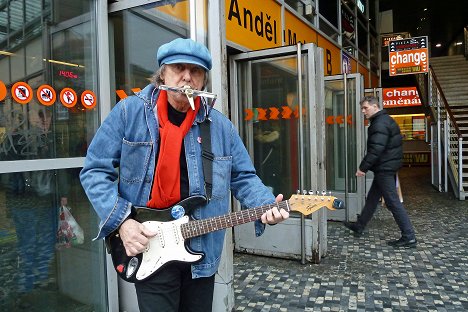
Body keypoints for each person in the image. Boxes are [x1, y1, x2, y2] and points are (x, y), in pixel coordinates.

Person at [79, 38, 289, 312]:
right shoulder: (130, 112)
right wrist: (123, 223)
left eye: (196, 71)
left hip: (203, 250)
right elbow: (94, 170)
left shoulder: (221, 127)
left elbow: (244, 176)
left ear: (203, 82)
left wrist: (266, 203)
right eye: (179, 68)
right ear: (162, 73)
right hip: (149, 245)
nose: (187, 77)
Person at [343, 96, 417, 248]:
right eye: (362, 108)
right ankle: (360, 225)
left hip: (384, 168)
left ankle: (409, 236)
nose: (363, 111)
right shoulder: (385, 120)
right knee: (372, 198)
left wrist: (362, 167)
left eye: (366, 108)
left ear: (375, 106)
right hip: (386, 166)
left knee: (393, 202)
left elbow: (376, 149)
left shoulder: (379, 124)